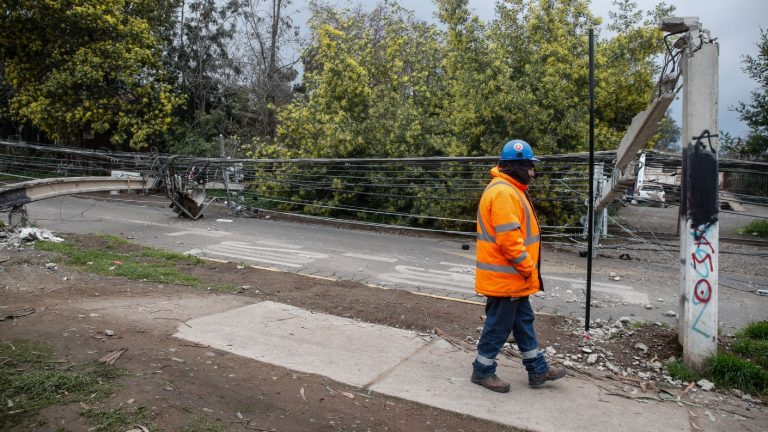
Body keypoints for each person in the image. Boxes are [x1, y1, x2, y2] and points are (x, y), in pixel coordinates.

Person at [471, 139, 566, 393]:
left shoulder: (511, 189)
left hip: (513, 279)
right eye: (529, 166)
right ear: (516, 166)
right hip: (508, 278)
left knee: (523, 322)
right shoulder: (503, 192)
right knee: (498, 326)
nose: (533, 172)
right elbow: (509, 239)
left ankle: (537, 369)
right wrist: (527, 268)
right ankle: (482, 371)